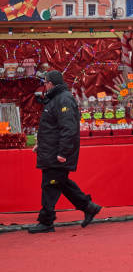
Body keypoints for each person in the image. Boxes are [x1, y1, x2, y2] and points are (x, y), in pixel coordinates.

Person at [28, 70, 101, 233]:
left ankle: (46, 221)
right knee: (61, 183)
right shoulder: (56, 99)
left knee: (50, 185)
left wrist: (63, 153)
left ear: (51, 83)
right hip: (51, 151)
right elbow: (52, 128)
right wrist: (40, 144)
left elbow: (68, 129)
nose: (44, 86)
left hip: (57, 153)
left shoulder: (63, 99)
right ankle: (89, 207)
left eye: (45, 83)